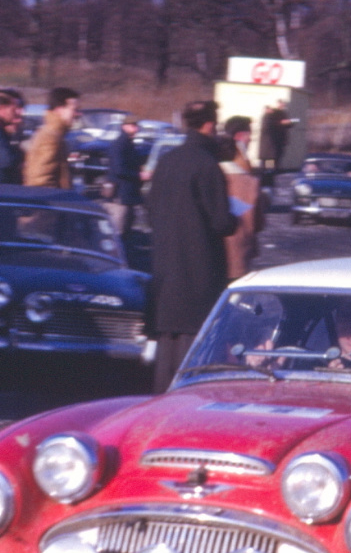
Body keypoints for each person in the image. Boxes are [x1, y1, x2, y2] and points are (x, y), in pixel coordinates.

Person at [145, 100, 237, 393]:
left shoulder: (167, 161)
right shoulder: (207, 165)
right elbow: (222, 222)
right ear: (210, 125)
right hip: (198, 272)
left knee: (166, 357)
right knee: (194, 358)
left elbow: (150, 210)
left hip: (164, 272)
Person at [219, 115, 262, 280]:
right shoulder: (240, 161)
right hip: (238, 242)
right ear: (240, 136)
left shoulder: (217, 155)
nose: (251, 139)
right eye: (250, 134)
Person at [22, 86, 80, 188]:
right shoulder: (50, 137)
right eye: (74, 110)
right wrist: (58, 201)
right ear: (59, 109)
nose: (77, 114)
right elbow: (39, 181)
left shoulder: (54, 134)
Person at [105, 117, 146, 235]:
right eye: (133, 125)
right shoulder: (120, 144)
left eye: (136, 125)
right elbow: (119, 170)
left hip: (127, 195)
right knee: (118, 232)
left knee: (126, 230)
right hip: (119, 196)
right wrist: (139, 175)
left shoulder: (128, 144)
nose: (136, 129)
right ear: (124, 126)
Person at [259, 101, 291, 193]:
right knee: (269, 169)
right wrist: (281, 123)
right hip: (269, 152)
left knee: (270, 168)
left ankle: (267, 184)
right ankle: (267, 185)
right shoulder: (268, 117)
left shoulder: (273, 116)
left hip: (271, 151)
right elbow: (270, 127)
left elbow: (287, 125)